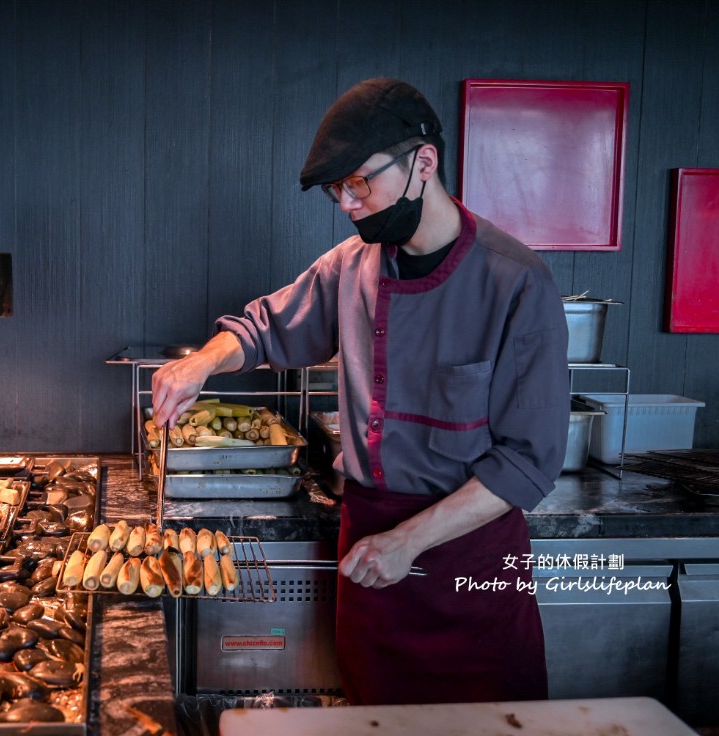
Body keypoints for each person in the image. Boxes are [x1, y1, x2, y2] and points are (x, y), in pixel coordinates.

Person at [150, 78, 569, 705]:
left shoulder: (516, 281)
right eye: (336, 190)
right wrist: (200, 364)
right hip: (369, 553)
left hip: (469, 564)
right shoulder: (351, 265)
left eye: (359, 183)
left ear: (423, 162)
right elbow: (266, 328)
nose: (347, 203)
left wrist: (409, 541)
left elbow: (527, 464)